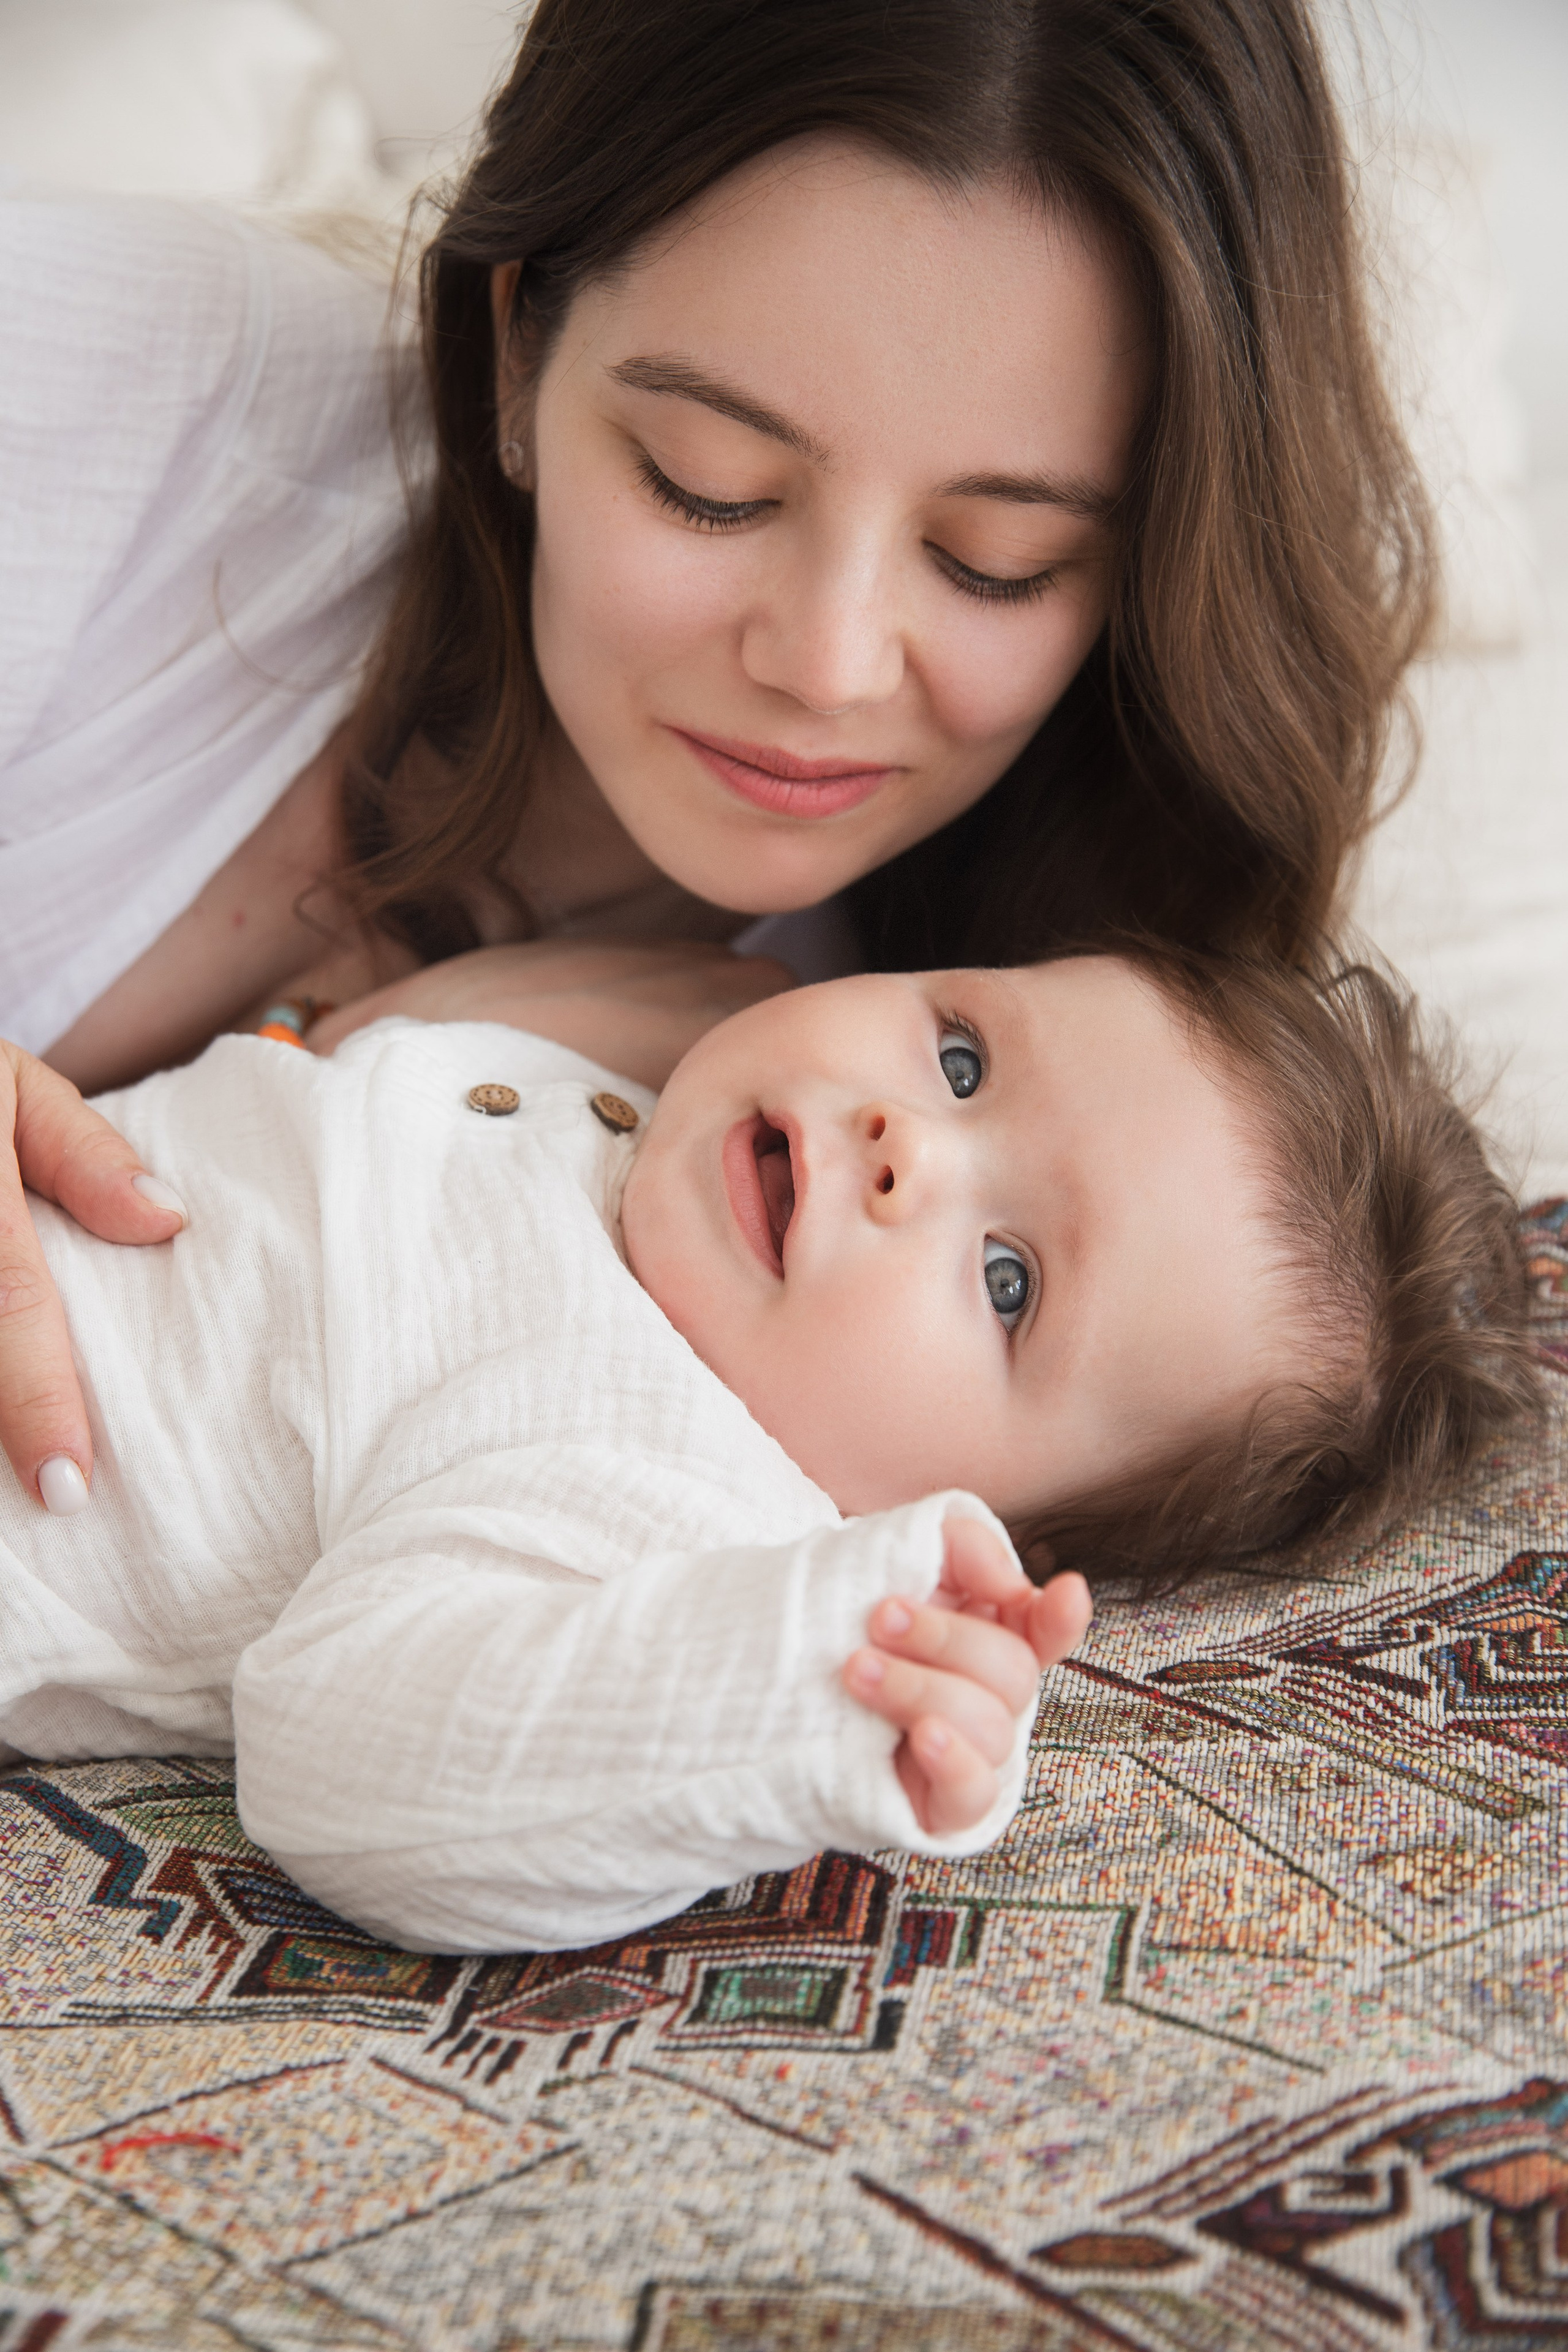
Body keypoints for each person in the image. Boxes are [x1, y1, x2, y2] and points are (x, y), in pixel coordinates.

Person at [0, 0, 1436, 1518]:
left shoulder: (1015, 1108)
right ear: (513, 355)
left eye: (996, 561)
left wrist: (409, 1041)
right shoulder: (124, 391)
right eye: (712, 488)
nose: (824, 668)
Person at [0, 945, 1536, 1952]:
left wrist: (808, 1675)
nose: (905, 1143)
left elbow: (360, 1770)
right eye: (958, 1056)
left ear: (970, 1517)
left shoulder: (661, 1476)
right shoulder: (641, 1121)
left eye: (1008, 1283)